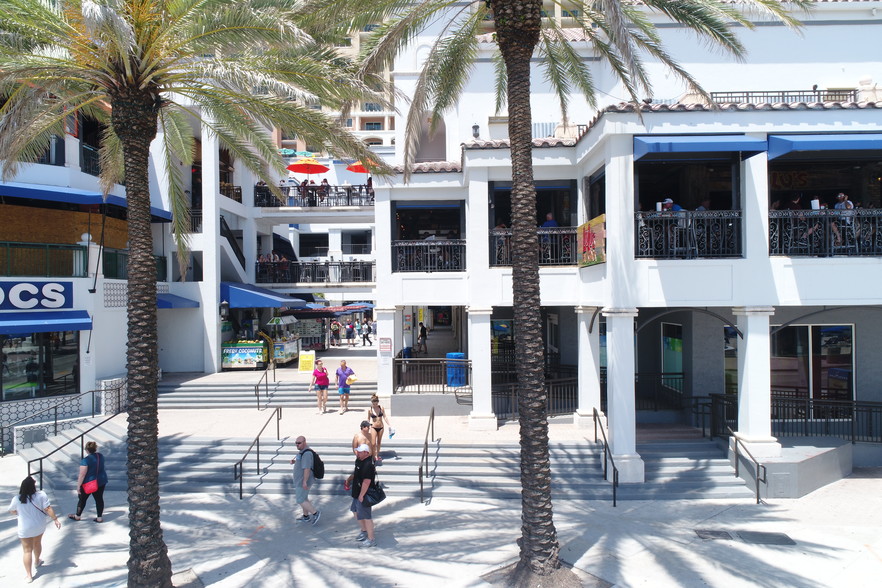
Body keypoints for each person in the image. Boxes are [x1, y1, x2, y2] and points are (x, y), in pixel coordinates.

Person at [9, 476, 61, 583]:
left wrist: (20, 512)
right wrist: (55, 519)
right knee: (37, 543)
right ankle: (37, 561)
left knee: (27, 550)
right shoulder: (41, 495)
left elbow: (12, 511)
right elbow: (48, 508)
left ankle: (29, 576)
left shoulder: (17, 499)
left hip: (25, 528)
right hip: (39, 525)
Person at [69, 440, 108, 522]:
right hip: (101, 481)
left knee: (82, 500)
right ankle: (99, 518)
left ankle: (77, 516)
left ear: (87, 450)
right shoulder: (100, 456)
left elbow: (82, 475)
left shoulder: (85, 460)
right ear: (95, 449)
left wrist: (78, 486)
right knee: (99, 499)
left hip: (89, 483)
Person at [350, 443, 378, 548]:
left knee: (367, 516)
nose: (357, 453)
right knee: (354, 510)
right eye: (357, 451)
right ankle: (364, 530)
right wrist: (349, 480)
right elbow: (356, 474)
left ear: (366, 453)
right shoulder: (359, 460)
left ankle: (371, 539)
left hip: (364, 494)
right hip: (356, 492)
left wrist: (362, 495)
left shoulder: (368, 465)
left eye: (360, 451)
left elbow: (366, 481)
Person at [290, 436, 320, 525]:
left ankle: (315, 513)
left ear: (304, 442)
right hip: (300, 480)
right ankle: (306, 516)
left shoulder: (307, 453)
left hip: (302, 481)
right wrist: (295, 462)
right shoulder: (302, 452)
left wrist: (304, 481)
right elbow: (302, 463)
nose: (297, 445)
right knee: (304, 498)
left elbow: (307, 468)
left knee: (300, 500)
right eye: (296, 443)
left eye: (299, 443)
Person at [367, 395, 393, 462]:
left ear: (378, 402)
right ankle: (373, 455)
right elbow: (368, 419)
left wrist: (389, 424)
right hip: (373, 427)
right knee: (373, 443)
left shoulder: (381, 408)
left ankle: (377, 455)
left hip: (381, 427)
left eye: (376, 404)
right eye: (373, 404)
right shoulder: (370, 410)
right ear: (371, 403)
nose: (375, 405)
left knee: (379, 442)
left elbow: (385, 417)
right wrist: (367, 425)